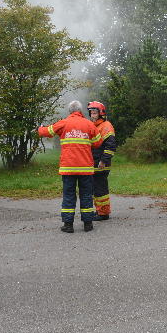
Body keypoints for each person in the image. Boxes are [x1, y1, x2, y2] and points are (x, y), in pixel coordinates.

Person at [38, 100, 102, 233]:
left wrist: (40, 128)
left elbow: (46, 132)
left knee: (68, 195)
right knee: (86, 195)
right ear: (80, 111)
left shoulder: (64, 123)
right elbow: (97, 142)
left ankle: (68, 225)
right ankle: (88, 224)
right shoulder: (89, 124)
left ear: (70, 111)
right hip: (85, 168)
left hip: (68, 168)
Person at [87, 101, 117, 221]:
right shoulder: (95, 126)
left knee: (100, 189)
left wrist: (103, 161)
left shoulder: (106, 126)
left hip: (101, 164)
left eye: (95, 113)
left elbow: (111, 146)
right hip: (95, 163)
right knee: (97, 188)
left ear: (101, 114)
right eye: (91, 113)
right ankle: (100, 211)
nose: (93, 115)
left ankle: (103, 213)